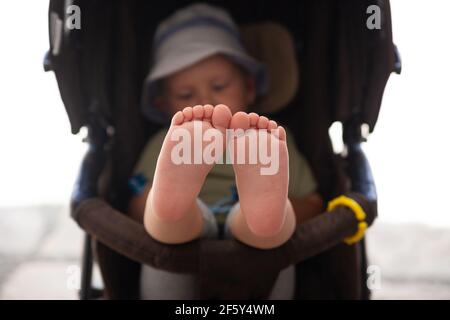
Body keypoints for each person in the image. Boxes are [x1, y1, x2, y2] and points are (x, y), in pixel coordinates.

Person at [127, 3, 323, 299]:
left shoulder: (267, 142)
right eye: (185, 95)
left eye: (219, 86)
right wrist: (158, 206)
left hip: (249, 250)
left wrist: (263, 207)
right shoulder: (168, 142)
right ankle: (175, 211)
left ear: (249, 88)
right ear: (162, 105)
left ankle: (260, 215)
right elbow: (134, 206)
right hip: (186, 249)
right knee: (173, 222)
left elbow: (313, 204)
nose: (206, 100)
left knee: (259, 224)